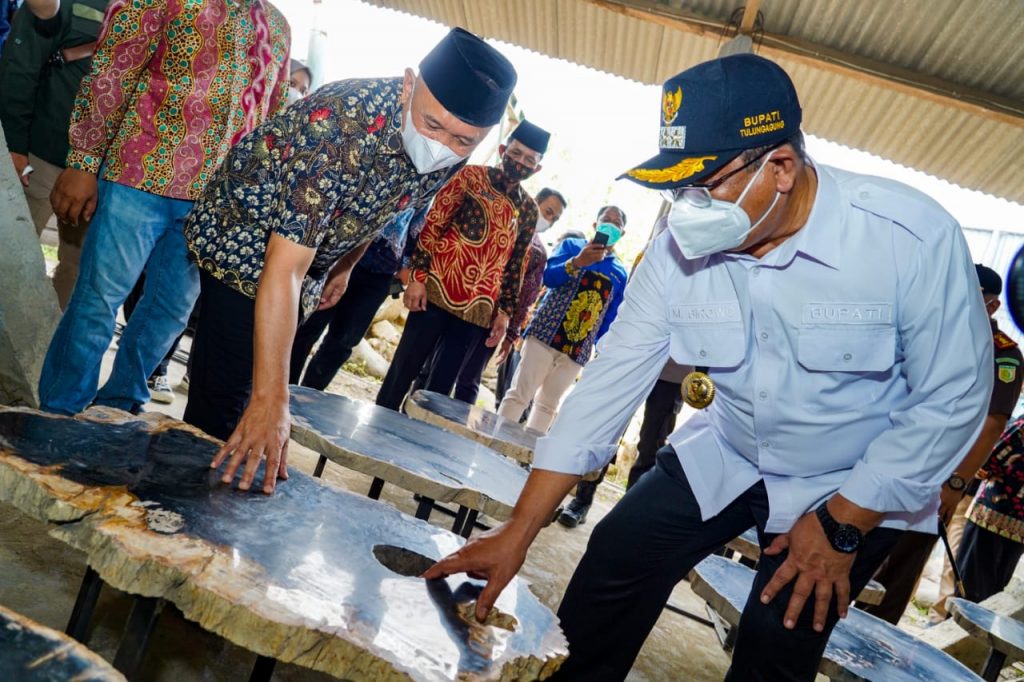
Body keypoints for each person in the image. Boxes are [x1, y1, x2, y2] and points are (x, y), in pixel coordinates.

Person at [424, 54, 992, 681]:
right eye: (676, 189)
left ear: (779, 167)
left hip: (852, 479)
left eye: (705, 186)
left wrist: (844, 524)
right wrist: (520, 528)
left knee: (778, 633)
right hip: (731, 447)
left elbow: (954, 396)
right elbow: (606, 389)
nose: (685, 208)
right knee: (617, 555)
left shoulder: (905, 238)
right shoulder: (677, 250)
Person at [183, 27, 517, 495]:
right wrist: (272, 400)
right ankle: (175, 511)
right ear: (407, 86)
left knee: (253, 386)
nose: (443, 145)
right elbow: (282, 270)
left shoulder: (453, 147)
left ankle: (213, 491)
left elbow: (386, 202)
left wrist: (344, 265)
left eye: (464, 140)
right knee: (232, 395)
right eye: (433, 125)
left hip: (310, 252)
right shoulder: (338, 125)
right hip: (244, 237)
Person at [36, 0, 291, 418]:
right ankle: (59, 413)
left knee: (168, 315)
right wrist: (83, 160)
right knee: (98, 302)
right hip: (136, 176)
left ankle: (116, 411)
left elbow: (271, 123)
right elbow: (113, 73)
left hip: (212, 205)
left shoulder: (277, 28)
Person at [863, 263, 1023, 624]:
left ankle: (862, 656)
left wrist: (955, 482)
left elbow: (992, 423)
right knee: (853, 551)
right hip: (890, 459)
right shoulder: (933, 330)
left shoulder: (1004, 354)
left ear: (993, 306)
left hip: (936, 477)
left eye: (972, 296)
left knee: (900, 567)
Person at [374, 120, 547, 412]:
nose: (520, 162)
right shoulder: (469, 176)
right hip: (434, 292)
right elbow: (434, 225)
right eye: (516, 153)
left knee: (439, 390)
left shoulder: (529, 210)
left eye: (529, 160)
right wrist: (417, 277)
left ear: (537, 169)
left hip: (478, 310)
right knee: (403, 370)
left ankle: (412, 447)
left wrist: (505, 313)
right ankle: (375, 431)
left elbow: (516, 265)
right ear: (504, 150)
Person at [0, 0, 108, 308]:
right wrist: (15, 146)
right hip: (39, 156)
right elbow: (21, 65)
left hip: (98, 175)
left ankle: (48, 350)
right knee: (9, 259)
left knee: (76, 275)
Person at [496, 205, 629, 433]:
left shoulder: (619, 272)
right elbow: (548, 278)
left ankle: (522, 460)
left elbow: (609, 317)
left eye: (617, 224)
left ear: (622, 233)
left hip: (577, 351)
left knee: (548, 406)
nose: (611, 226)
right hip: (544, 335)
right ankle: (493, 444)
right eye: (606, 220)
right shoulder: (571, 247)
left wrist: (596, 349)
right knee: (520, 394)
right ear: (595, 225)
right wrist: (577, 262)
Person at [288, 207, 425, 390]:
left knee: (344, 342)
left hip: (382, 270)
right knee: (307, 328)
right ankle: (283, 388)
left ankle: (309, 395)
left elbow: (417, 225)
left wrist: (407, 266)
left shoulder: (425, 184)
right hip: (340, 255)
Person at [453, 186, 567, 405]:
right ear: (535, 202)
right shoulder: (502, 226)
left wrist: (511, 334)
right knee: (437, 366)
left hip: (496, 321)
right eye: (548, 211)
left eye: (554, 218)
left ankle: (450, 430)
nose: (549, 220)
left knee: (469, 379)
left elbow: (526, 298)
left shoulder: (539, 252)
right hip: (464, 306)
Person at [958, 414, 1024, 602]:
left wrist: (980, 468)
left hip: (992, 514)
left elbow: (991, 456)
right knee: (994, 590)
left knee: (969, 585)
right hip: (1019, 529)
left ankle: (955, 629)